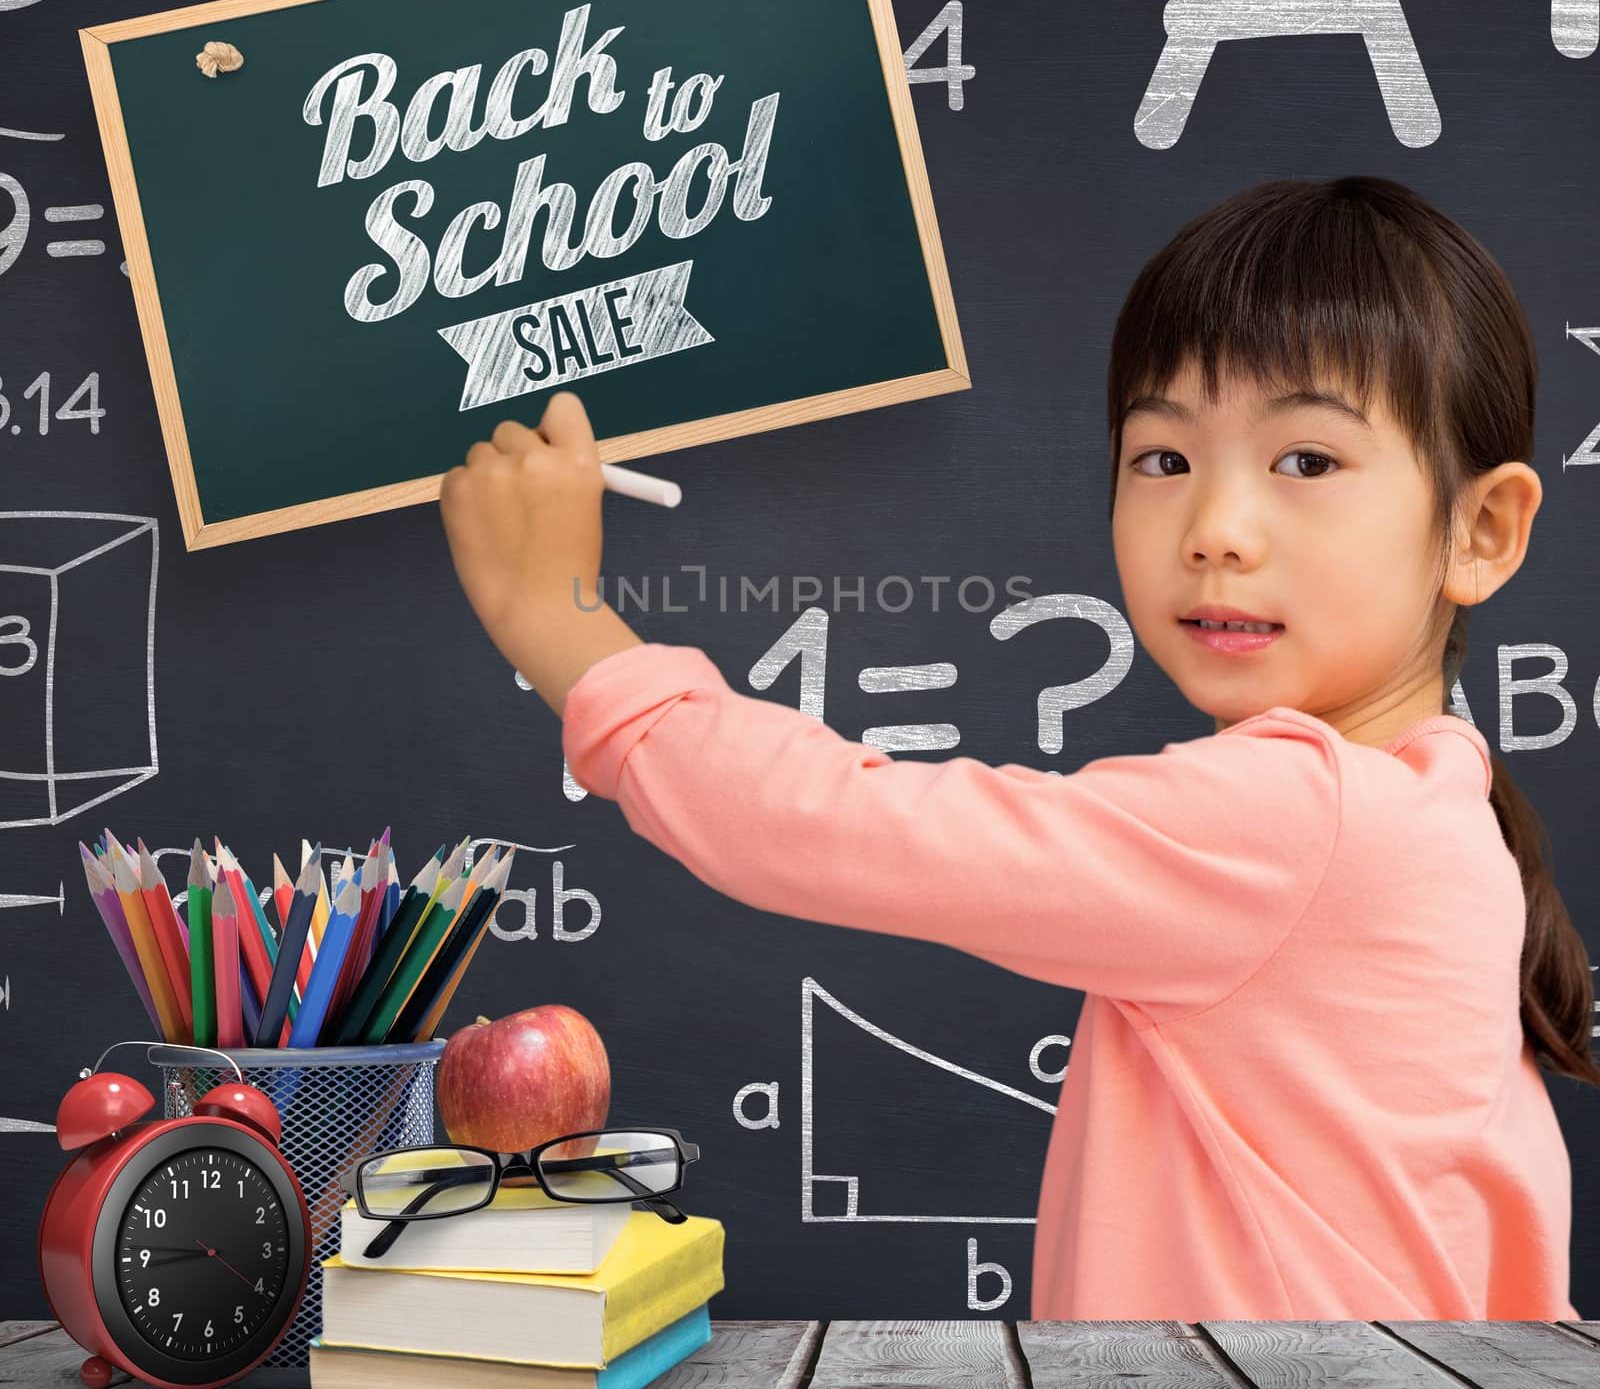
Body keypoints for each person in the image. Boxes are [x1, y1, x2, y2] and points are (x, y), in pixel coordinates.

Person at [436, 174, 1595, 1321]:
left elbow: (827, 824)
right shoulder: (1435, 808)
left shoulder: (1307, 819)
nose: (1215, 532)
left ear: (1479, 530)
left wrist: (555, 615)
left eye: (1306, 462)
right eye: (1162, 458)